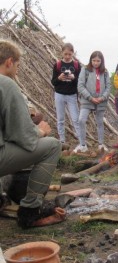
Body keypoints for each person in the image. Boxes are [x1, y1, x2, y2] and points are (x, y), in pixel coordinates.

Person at [0, 40, 62, 228]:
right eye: (17, 66)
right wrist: (41, 131)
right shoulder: (6, 84)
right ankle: (30, 211)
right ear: (10, 62)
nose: (17, 70)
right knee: (52, 146)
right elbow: (23, 136)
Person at [77, 51, 111, 152]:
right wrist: (90, 97)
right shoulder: (85, 70)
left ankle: (100, 144)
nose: (96, 63)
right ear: (90, 60)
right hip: (87, 100)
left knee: (100, 122)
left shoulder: (104, 72)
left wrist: (102, 97)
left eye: (98, 61)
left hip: (101, 101)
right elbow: (80, 86)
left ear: (102, 61)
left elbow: (108, 86)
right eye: (94, 60)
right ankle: (83, 145)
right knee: (81, 120)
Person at [51, 42, 81, 144]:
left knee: (76, 119)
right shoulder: (58, 65)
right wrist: (59, 78)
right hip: (59, 94)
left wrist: (73, 78)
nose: (67, 56)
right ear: (62, 53)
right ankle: (62, 141)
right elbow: (53, 82)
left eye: (69, 54)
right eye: (65, 54)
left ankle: (81, 141)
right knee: (60, 119)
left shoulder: (76, 65)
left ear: (73, 53)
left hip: (72, 95)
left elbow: (80, 82)